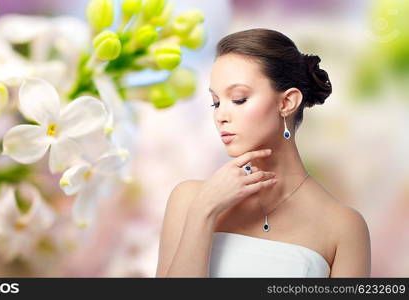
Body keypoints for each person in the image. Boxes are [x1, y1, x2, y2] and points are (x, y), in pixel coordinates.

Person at [155, 28, 371, 278]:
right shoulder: (190, 199)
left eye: (238, 99)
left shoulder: (344, 228)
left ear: (286, 102)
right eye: (216, 102)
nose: (220, 116)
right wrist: (204, 211)